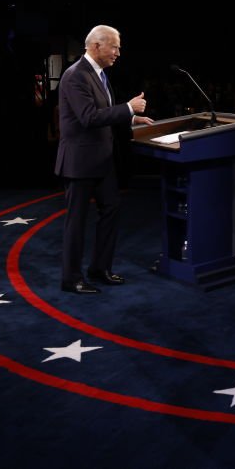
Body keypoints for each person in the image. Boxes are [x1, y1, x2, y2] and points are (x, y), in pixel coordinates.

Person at [55, 25, 153, 294]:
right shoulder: (75, 76)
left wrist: (131, 118)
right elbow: (88, 117)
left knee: (111, 209)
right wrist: (127, 108)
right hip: (80, 161)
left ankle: (99, 269)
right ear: (96, 46)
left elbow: (104, 112)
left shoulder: (99, 75)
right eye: (114, 47)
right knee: (76, 222)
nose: (118, 53)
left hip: (102, 160)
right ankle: (71, 279)